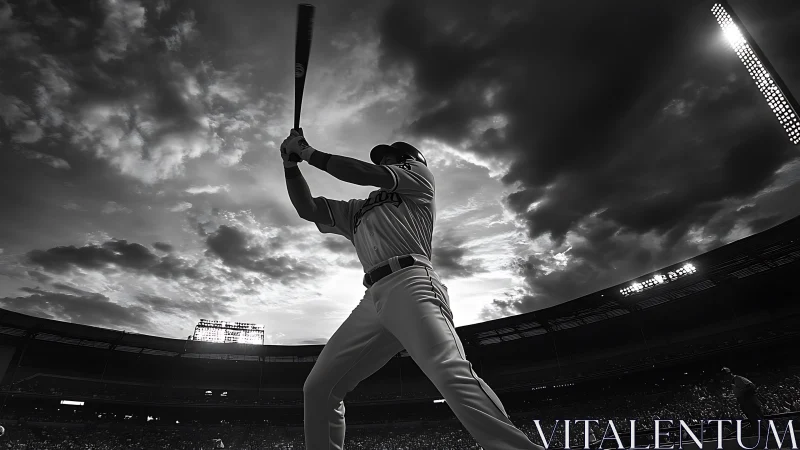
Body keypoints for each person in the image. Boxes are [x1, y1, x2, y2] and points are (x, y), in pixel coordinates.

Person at [280, 129, 542, 449]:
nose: (385, 160)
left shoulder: (419, 178)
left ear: (409, 160)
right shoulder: (356, 210)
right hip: (372, 298)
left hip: (411, 281)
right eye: (383, 158)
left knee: (448, 370)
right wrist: (290, 166)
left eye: (392, 157)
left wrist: (307, 151)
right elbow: (307, 208)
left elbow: (364, 172)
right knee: (319, 388)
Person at [721, 367, 765, 436]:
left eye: (724, 375)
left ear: (728, 374)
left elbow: (752, 386)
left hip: (751, 403)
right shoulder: (733, 382)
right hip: (746, 405)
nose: (724, 378)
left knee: (759, 423)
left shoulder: (737, 378)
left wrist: (742, 394)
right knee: (754, 424)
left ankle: (767, 439)